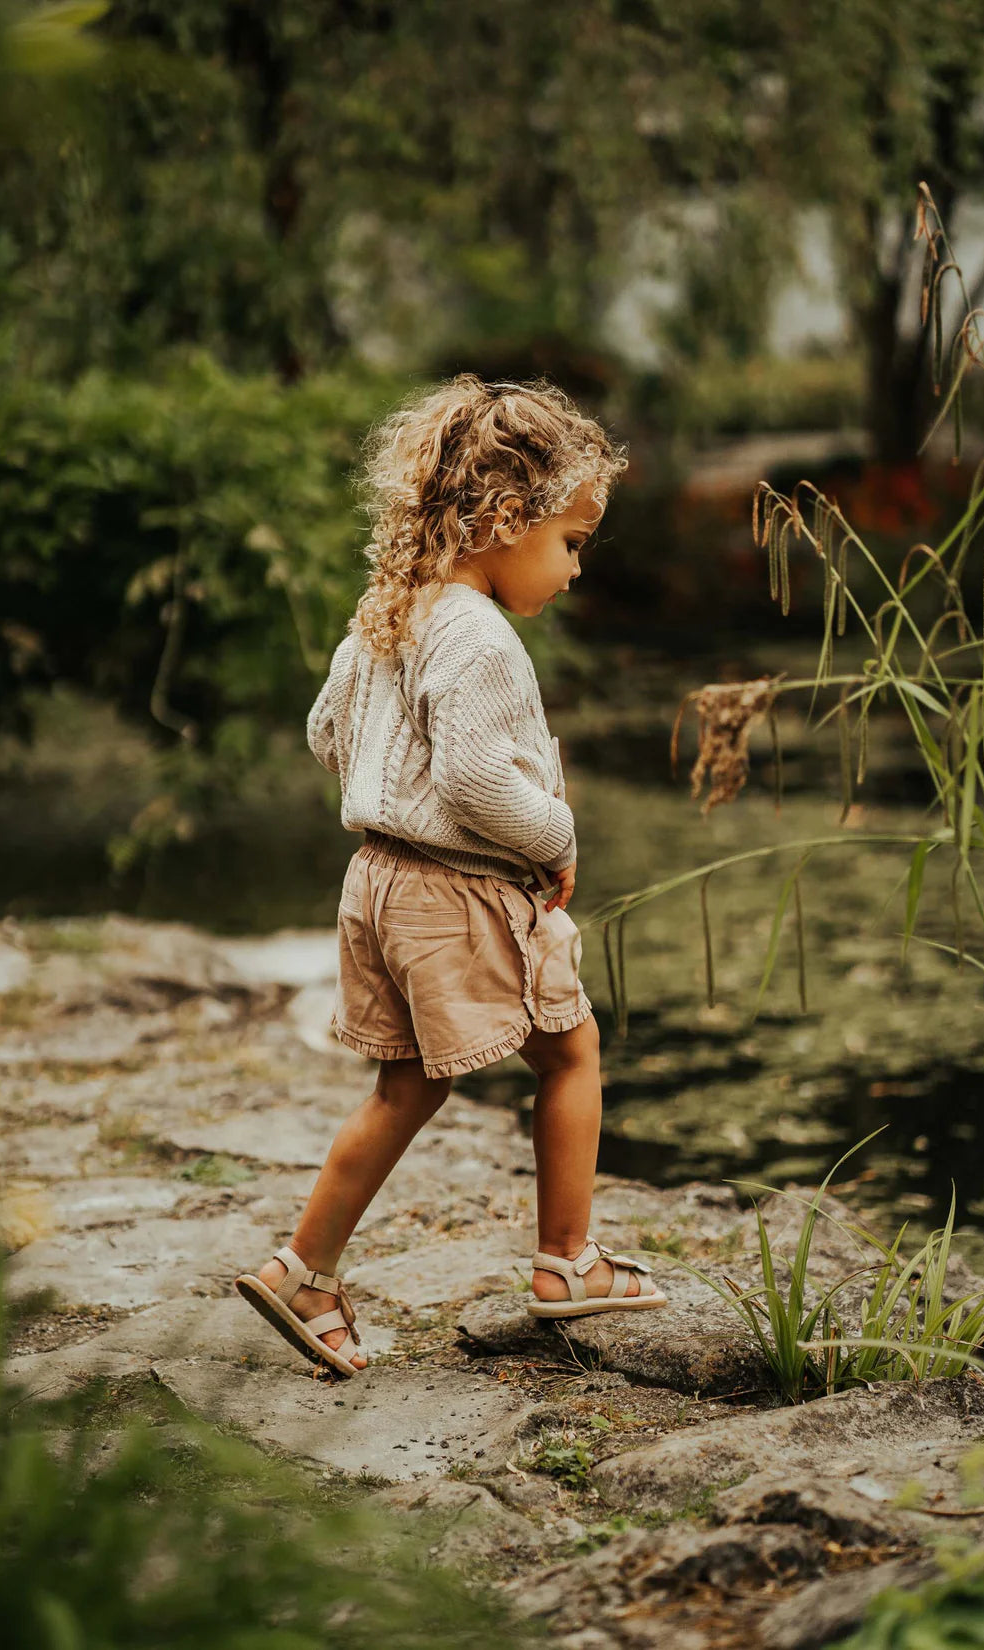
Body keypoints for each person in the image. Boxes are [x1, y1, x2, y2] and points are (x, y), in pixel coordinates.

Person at [235, 374, 667, 1377]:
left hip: (378, 882)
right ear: (506, 517)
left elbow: (322, 733)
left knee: (403, 1087)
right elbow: (477, 783)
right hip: (456, 890)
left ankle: (306, 1270)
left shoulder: (387, 612)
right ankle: (566, 1263)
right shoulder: (479, 637)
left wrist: (387, 793)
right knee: (569, 1054)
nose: (570, 570)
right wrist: (554, 837)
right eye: (567, 542)